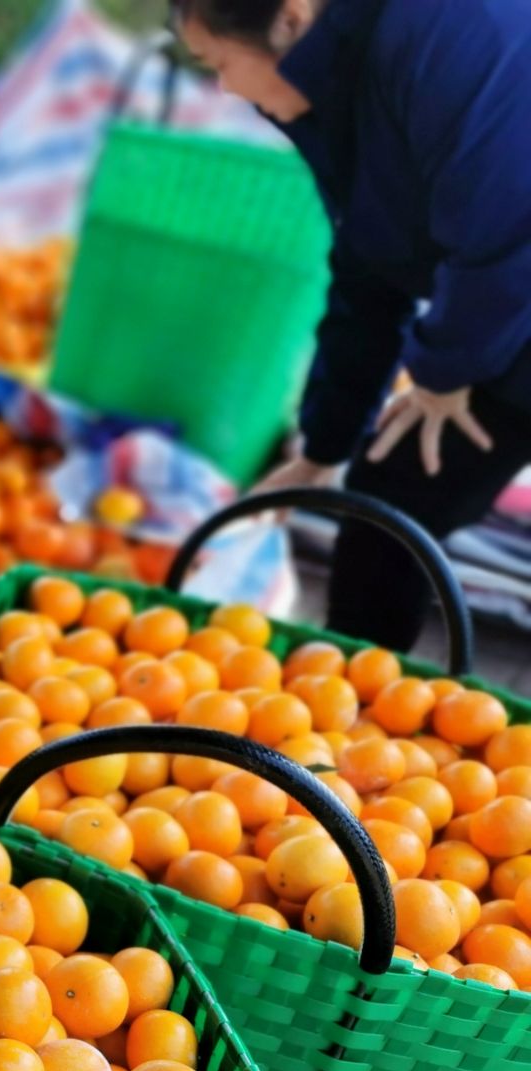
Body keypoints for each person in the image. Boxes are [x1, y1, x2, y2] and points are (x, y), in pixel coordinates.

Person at [176, 0, 531, 654]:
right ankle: (354, 720)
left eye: (218, 62)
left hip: (513, 281)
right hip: (506, 297)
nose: (222, 87)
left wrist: (446, 370)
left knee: (403, 485)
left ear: (290, 17)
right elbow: (371, 264)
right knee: (392, 492)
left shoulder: (452, 29)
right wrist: (324, 444)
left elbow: (510, 226)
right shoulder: (330, 85)